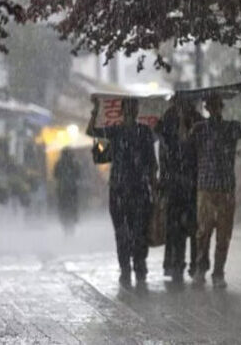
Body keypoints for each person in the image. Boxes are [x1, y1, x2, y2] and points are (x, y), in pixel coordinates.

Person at [186, 90, 241, 289]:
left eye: (216, 105)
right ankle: (201, 268)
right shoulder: (199, 129)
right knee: (203, 233)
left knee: (223, 234)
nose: (214, 109)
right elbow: (186, 146)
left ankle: (218, 272)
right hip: (206, 188)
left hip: (225, 188)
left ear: (220, 108)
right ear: (207, 108)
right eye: (211, 105)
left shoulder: (230, 128)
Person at [86, 97, 157, 288]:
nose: (131, 111)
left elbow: (151, 163)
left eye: (134, 108)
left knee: (138, 231)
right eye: (129, 108)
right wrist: (95, 110)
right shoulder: (117, 132)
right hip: (120, 190)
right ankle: (127, 268)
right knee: (123, 232)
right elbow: (92, 132)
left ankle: (138, 267)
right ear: (124, 110)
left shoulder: (143, 132)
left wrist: (154, 186)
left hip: (137, 190)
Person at [154, 97, 204, 283]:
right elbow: (164, 147)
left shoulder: (198, 120)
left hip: (191, 182)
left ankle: (193, 264)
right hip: (175, 182)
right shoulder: (168, 119)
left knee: (193, 226)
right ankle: (177, 263)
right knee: (176, 227)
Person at [53, 148, 81, 236]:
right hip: (72, 190)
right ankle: (71, 226)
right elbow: (78, 174)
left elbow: (55, 175)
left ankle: (65, 227)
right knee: (72, 208)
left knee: (63, 209)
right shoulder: (74, 163)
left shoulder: (59, 163)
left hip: (62, 190)